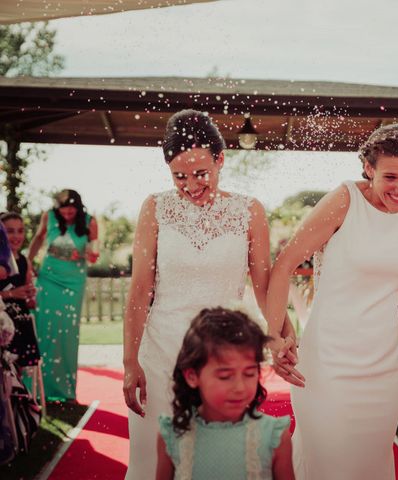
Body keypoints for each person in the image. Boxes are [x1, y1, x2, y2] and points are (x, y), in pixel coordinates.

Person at [264, 123, 398, 480]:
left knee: (370, 467)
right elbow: (284, 265)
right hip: (328, 363)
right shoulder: (343, 200)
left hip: (383, 365)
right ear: (368, 168)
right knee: (329, 465)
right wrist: (275, 336)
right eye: (391, 177)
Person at [123, 109, 295, 479]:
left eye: (201, 173)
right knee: (151, 460)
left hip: (223, 354)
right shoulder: (155, 208)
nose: (190, 185)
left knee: (217, 460)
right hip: (162, 351)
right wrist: (129, 362)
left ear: (220, 159)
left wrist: (284, 332)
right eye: (179, 176)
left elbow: (264, 287)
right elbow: (139, 291)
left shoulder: (249, 211)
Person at [156, 307, 294, 480]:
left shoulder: (274, 436)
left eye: (249, 373)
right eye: (225, 376)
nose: (240, 387)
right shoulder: (172, 435)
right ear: (192, 376)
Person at [28, 189, 99, 401]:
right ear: (57, 209)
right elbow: (38, 239)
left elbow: (94, 255)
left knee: (68, 333)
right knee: (45, 330)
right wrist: (28, 263)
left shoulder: (89, 222)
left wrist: (86, 253)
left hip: (73, 282)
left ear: (78, 208)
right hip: (48, 278)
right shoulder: (48, 217)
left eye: (72, 211)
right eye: (64, 211)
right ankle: (38, 389)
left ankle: (66, 391)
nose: (68, 215)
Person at [0, 212, 39, 369]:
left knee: (19, 370)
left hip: (21, 324)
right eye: (10, 231)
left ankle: (17, 393)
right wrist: (11, 294)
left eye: (20, 230)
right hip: (2, 325)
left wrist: (30, 297)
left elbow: (30, 303)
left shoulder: (24, 262)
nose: (16, 236)